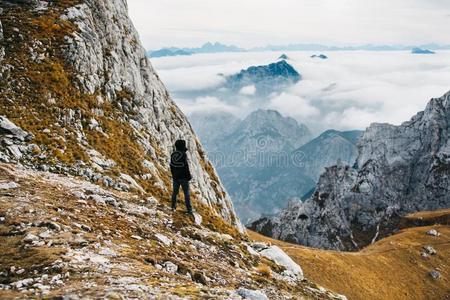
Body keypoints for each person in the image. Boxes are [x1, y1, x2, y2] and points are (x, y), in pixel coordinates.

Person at [170, 139, 193, 214]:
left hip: (175, 177)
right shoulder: (183, 154)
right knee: (186, 193)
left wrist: (173, 175)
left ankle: (173, 207)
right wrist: (188, 176)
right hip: (183, 177)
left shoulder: (173, 154)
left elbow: (171, 166)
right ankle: (189, 210)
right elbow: (185, 166)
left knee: (174, 193)